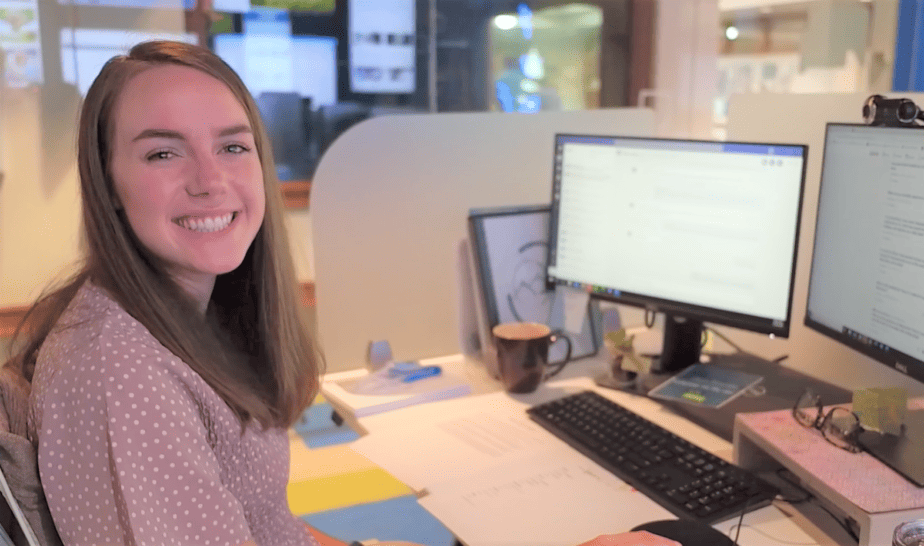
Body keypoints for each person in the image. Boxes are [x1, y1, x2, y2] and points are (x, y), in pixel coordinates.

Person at [8, 40, 680, 546]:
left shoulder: (182, 321)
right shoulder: (119, 368)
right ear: (109, 186)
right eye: (163, 153)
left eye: (233, 147)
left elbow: (272, 530)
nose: (210, 179)